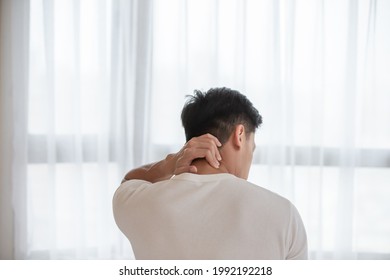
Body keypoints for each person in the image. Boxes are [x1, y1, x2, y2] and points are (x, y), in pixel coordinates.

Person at [113, 87, 308, 259]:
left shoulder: (140, 202)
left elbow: (129, 180)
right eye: (252, 149)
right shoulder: (283, 214)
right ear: (239, 135)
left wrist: (172, 162)